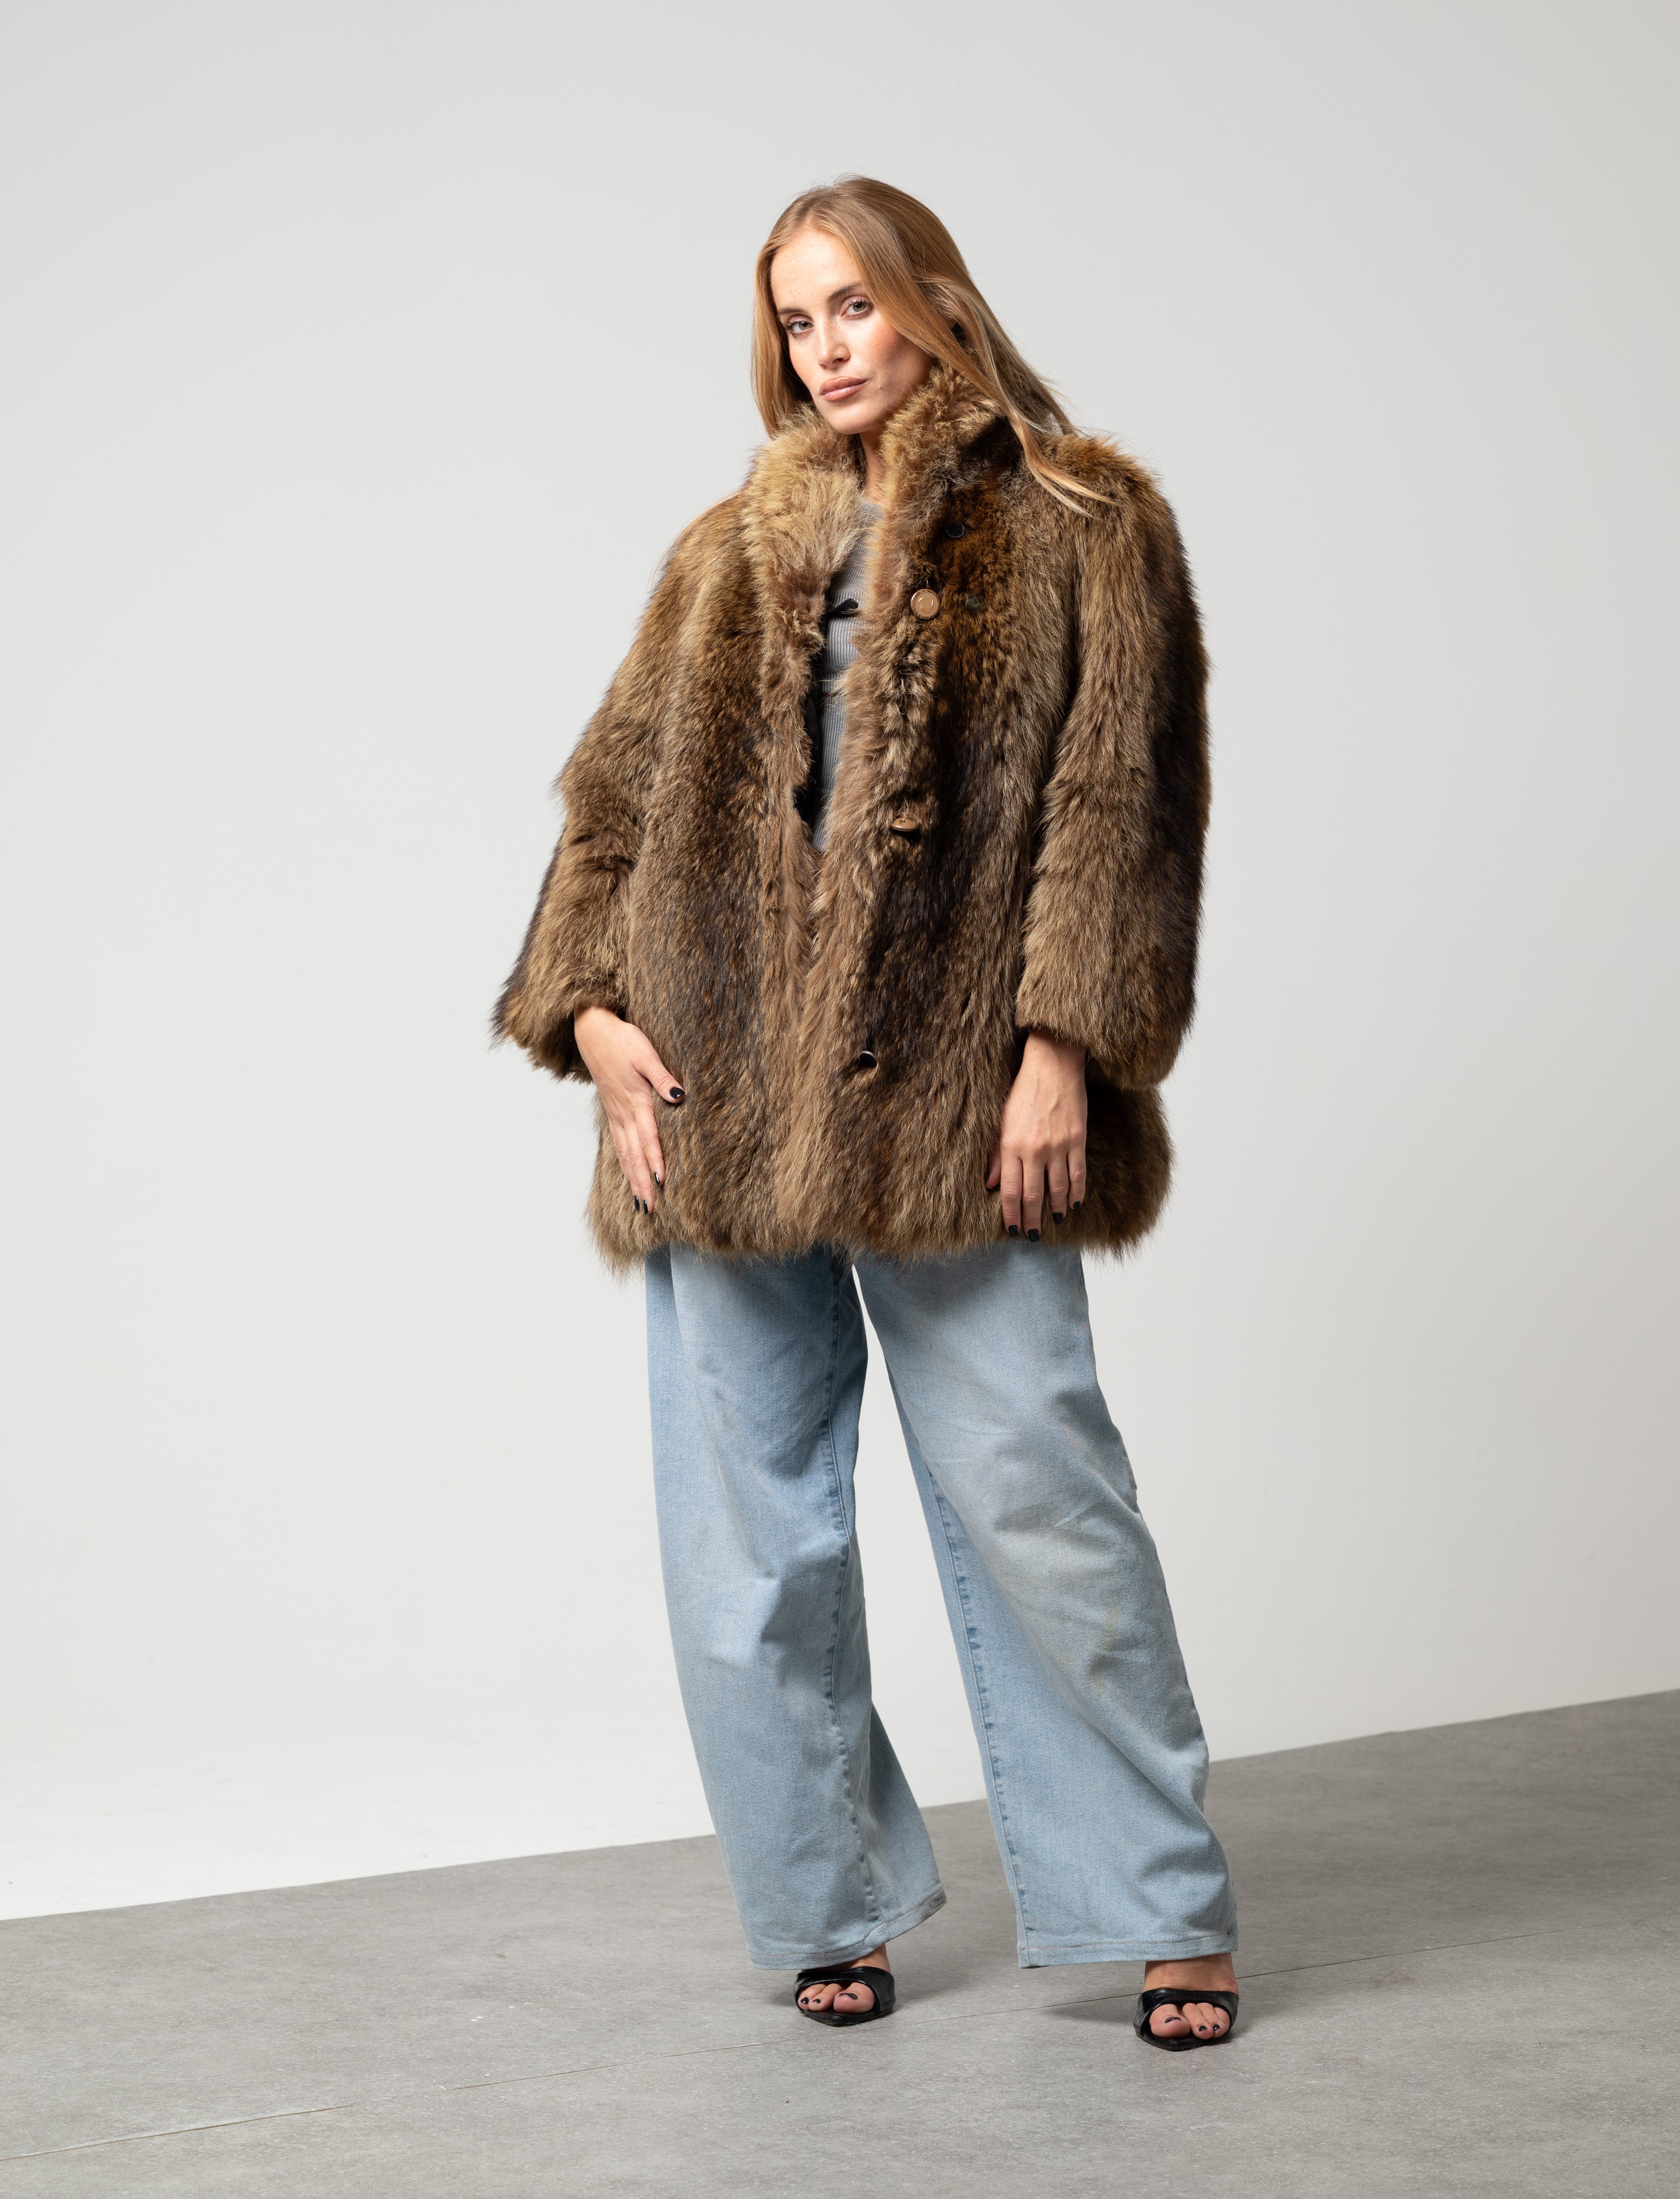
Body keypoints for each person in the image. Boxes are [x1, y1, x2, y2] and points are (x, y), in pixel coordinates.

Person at [495, 178, 1240, 2050]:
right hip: (716, 1107)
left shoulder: (1084, 522)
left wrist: (1061, 1045)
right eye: (795, 318)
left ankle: (1156, 1904)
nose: (826, 347)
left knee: (1038, 1497)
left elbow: (1122, 806)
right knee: (748, 1551)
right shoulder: (722, 550)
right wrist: (588, 1016)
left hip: (959, 1105)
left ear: (933, 302)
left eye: (853, 305)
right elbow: (610, 807)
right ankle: (827, 1903)